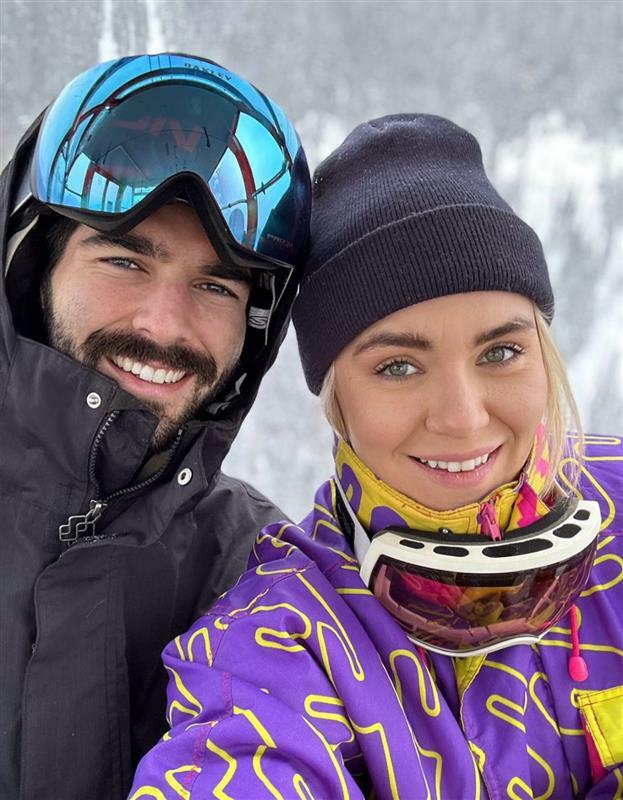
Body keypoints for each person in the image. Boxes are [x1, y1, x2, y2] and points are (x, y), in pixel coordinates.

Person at [130, 114, 622, 799]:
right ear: (337, 400)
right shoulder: (278, 643)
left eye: (501, 352)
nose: (462, 416)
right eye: (397, 367)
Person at [0, 52, 310, 800]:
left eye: (213, 285)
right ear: (35, 265)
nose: (164, 326)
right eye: (125, 261)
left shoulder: (263, 584)